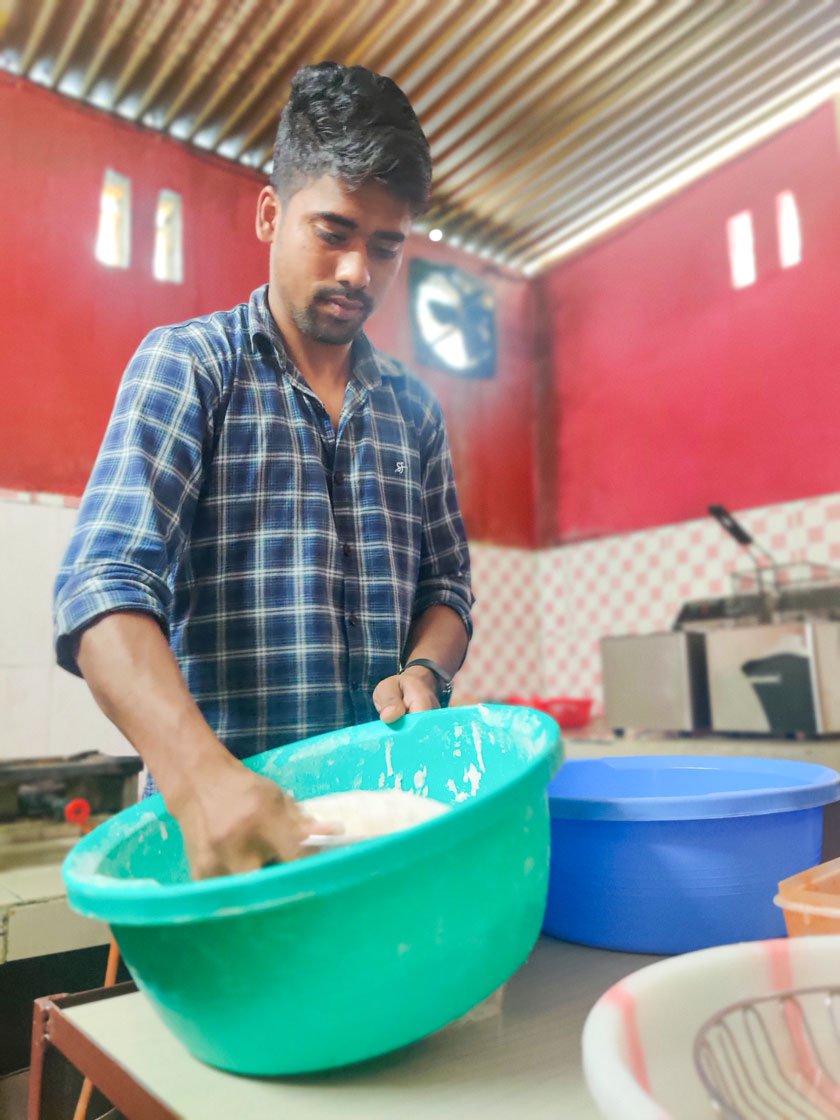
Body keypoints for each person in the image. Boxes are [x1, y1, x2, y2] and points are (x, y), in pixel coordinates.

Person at [53, 63, 473, 879]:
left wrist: (426, 668)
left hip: (376, 841)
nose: (359, 271)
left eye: (385, 246)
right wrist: (198, 776)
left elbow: (447, 589)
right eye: (334, 233)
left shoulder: (415, 411)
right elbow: (101, 584)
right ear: (271, 212)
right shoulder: (190, 368)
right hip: (224, 852)